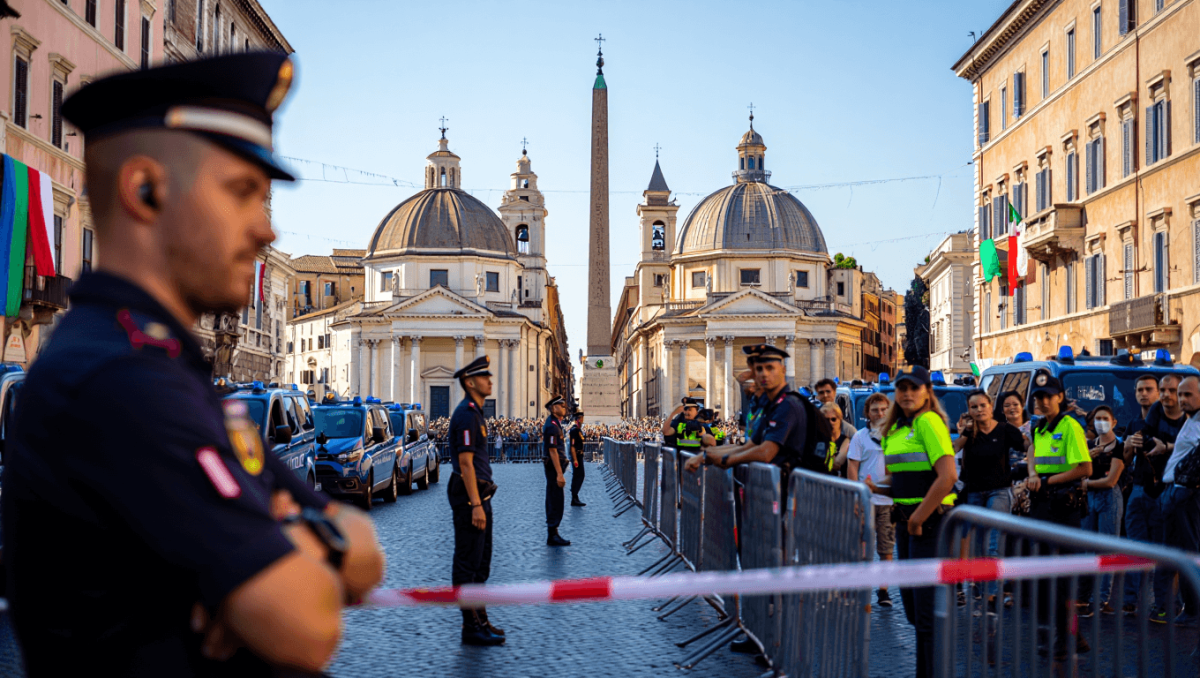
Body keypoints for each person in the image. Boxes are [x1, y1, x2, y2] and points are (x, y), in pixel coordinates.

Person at [2, 53, 387, 675]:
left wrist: (271, 562)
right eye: (242, 194)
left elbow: (366, 549)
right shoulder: (118, 382)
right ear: (145, 189)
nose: (267, 233)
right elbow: (307, 623)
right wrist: (296, 548)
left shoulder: (163, 368)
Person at [862, 366, 956, 678]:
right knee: (915, 610)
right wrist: (879, 487)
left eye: (914, 388)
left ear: (927, 392)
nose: (906, 394)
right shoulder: (896, 430)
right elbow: (902, 478)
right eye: (901, 388)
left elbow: (947, 477)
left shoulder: (929, 422)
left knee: (926, 614)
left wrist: (917, 518)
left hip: (929, 525)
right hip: (906, 525)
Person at [1024, 370, 1093, 659]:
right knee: (1043, 574)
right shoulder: (1040, 427)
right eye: (1038, 397)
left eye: (1048, 396)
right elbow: (1032, 453)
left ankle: (1067, 638)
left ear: (1060, 397)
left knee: (1061, 578)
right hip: (1042, 504)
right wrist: (1031, 473)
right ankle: (1067, 636)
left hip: (1063, 506)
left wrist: (1047, 481)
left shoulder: (1070, 426)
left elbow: (1084, 468)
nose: (1042, 401)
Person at [447, 355, 504, 645]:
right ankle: (470, 626)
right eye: (484, 377)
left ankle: (480, 619)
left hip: (480, 493)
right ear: (470, 382)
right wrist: (476, 504)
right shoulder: (467, 414)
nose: (490, 380)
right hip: (471, 495)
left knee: (481, 562)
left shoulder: (476, 412)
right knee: (468, 562)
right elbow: (466, 464)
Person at [954, 390, 1022, 609]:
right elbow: (953, 450)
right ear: (969, 410)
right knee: (978, 544)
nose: (979, 410)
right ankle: (982, 589)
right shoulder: (970, 432)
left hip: (999, 491)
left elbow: (1028, 446)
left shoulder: (1005, 430)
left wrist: (1031, 473)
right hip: (974, 492)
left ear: (991, 406)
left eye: (982, 405)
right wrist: (965, 432)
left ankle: (991, 596)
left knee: (992, 543)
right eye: (974, 407)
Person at [1124, 374, 1185, 618]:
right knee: (1134, 548)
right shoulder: (1136, 423)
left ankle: (1165, 605)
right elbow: (1125, 459)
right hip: (1139, 488)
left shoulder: (1187, 418)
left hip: (1167, 491)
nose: (1144, 393)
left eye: (1150, 389)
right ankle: (1130, 601)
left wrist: (1166, 447)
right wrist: (1129, 443)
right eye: (1140, 389)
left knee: (1163, 550)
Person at [1152, 375, 1200, 627]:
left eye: (1187, 394)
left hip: (1186, 495)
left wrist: (1187, 489)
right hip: (1175, 492)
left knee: (1188, 553)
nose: (1181, 399)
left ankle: (1193, 610)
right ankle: (1181, 608)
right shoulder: (1192, 420)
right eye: (1180, 395)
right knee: (1175, 553)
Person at [847, 392, 895, 609]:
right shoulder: (859, 437)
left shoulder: (896, 435)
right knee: (862, 546)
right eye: (875, 409)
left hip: (888, 501)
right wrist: (856, 496)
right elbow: (852, 467)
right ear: (867, 413)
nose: (880, 413)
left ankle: (883, 590)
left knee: (886, 548)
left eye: (884, 409)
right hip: (866, 500)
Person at [1078, 405, 1125, 616]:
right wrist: (1087, 456)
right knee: (1088, 547)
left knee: (1107, 548)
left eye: (1105, 418)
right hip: (1089, 498)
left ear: (1114, 422)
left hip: (1109, 497)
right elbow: (1076, 469)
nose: (1101, 422)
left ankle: (1102, 598)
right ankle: (1085, 597)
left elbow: (1110, 480)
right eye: (1097, 419)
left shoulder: (1119, 446)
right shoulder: (1088, 445)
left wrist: (1086, 484)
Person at [543, 396, 571, 546]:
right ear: (554, 408)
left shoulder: (555, 423)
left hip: (555, 467)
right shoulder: (552, 426)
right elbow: (553, 450)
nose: (564, 407)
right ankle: (552, 534)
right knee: (555, 500)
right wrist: (559, 474)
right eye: (561, 405)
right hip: (554, 468)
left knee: (555, 498)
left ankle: (554, 532)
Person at [818, 403, 850, 476]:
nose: (830, 422)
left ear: (840, 420)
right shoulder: (819, 440)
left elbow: (836, 464)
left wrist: (831, 440)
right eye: (826, 420)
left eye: (833, 419)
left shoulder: (846, 441)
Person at [569, 411, 587, 507]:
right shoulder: (574, 430)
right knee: (578, 476)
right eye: (581, 418)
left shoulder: (579, 430)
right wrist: (575, 459)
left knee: (579, 475)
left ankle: (575, 496)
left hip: (579, 455)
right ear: (578, 419)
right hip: (576, 455)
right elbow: (572, 446)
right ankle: (574, 496)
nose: (582, 420)